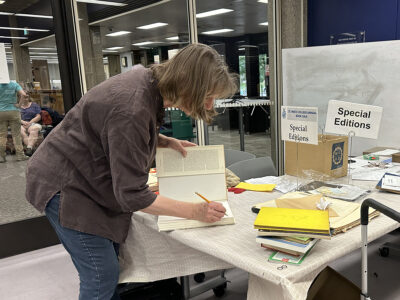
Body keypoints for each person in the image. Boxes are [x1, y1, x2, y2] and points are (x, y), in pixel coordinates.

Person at [26, 43, 237, 300]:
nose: (210, 103)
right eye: (208, 95)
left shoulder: (147, 82)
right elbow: (133, 196)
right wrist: (195, 211)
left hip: (86, 175)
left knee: (110, 264)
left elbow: (116, 130)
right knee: (101, 274)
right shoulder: (132, 106)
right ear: (188, 84)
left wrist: (162, 141)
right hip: (64, 185)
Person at [0, 81, 29, 163]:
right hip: (13, 111)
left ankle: (1, 157)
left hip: (1, 112)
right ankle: (20, 155)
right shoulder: (14, 84)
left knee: (2, 135)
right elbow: (23, 94)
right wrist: (19, 105)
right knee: (16, 134)